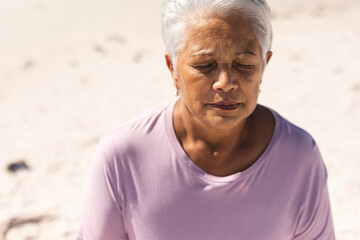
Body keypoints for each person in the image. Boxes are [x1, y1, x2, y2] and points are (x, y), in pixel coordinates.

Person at [77, 0, 334, 239]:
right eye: (204, 65)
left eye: (244, 64)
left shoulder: (298, 156)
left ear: (264, 64)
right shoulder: (122, 156)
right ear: (173, 69)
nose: (226, 83)